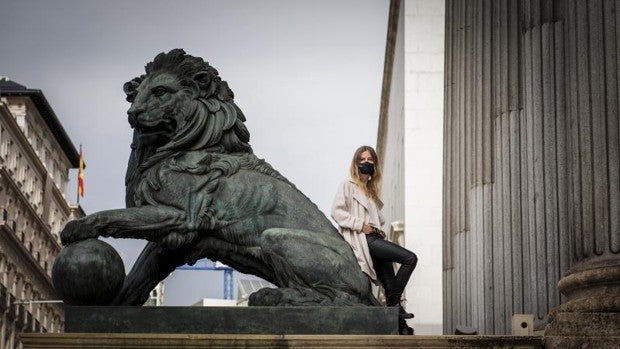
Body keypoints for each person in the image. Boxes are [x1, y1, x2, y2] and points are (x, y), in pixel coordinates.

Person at [331, 145, 417, 335]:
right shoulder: (348, 184)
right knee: (410, 258)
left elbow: (376, 219)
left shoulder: (371, 190)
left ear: (375, 164)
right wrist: (361, 225)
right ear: (356, 163)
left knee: (390, 284)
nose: (366, 163)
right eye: (362, 159)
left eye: (370, 160)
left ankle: (401, 328)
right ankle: (395, 304)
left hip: (375, 238)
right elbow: (336, 212)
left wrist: (379, 230)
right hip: (363, 239)